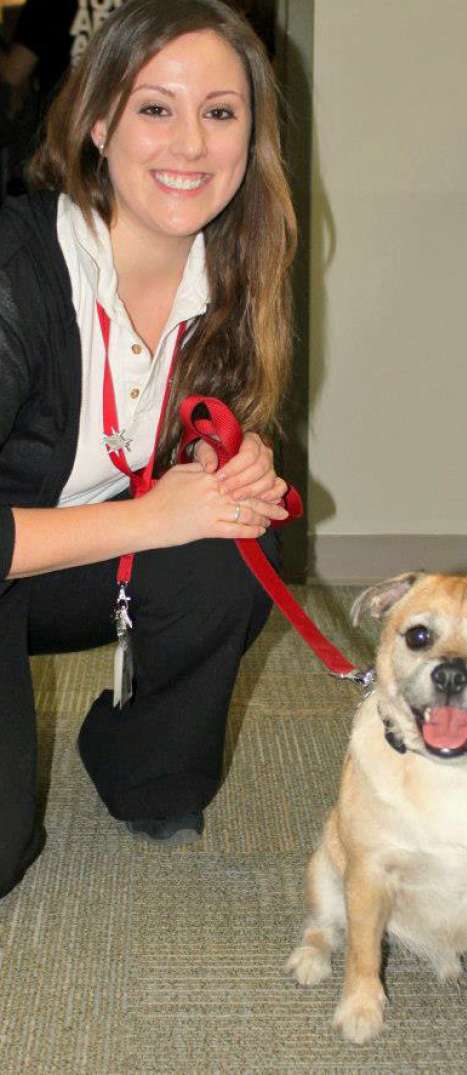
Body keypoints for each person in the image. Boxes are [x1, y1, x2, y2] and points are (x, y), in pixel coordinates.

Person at [0, 0, 296, 898]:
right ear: (98, 123)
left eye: (220, 112)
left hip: (71, 562)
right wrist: (157, 513)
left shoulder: (239, 270)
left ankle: (145, 764)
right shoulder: (17, 270)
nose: (191, 145)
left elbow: (214, 433)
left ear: (250, 136)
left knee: (238, 537)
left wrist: (236, 466)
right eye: (155, 108)